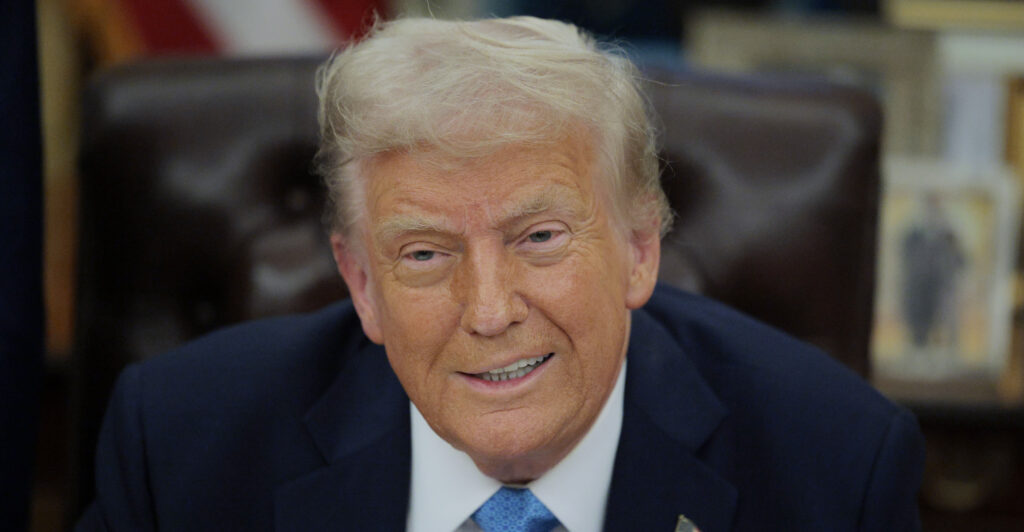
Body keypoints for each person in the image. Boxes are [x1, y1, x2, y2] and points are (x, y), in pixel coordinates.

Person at [77, 16, 924, 532]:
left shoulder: (834, 467)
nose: (487, 311)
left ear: (638, 248)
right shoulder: (183, 448)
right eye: (423, 254)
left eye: (540, 237)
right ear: (361, 283)